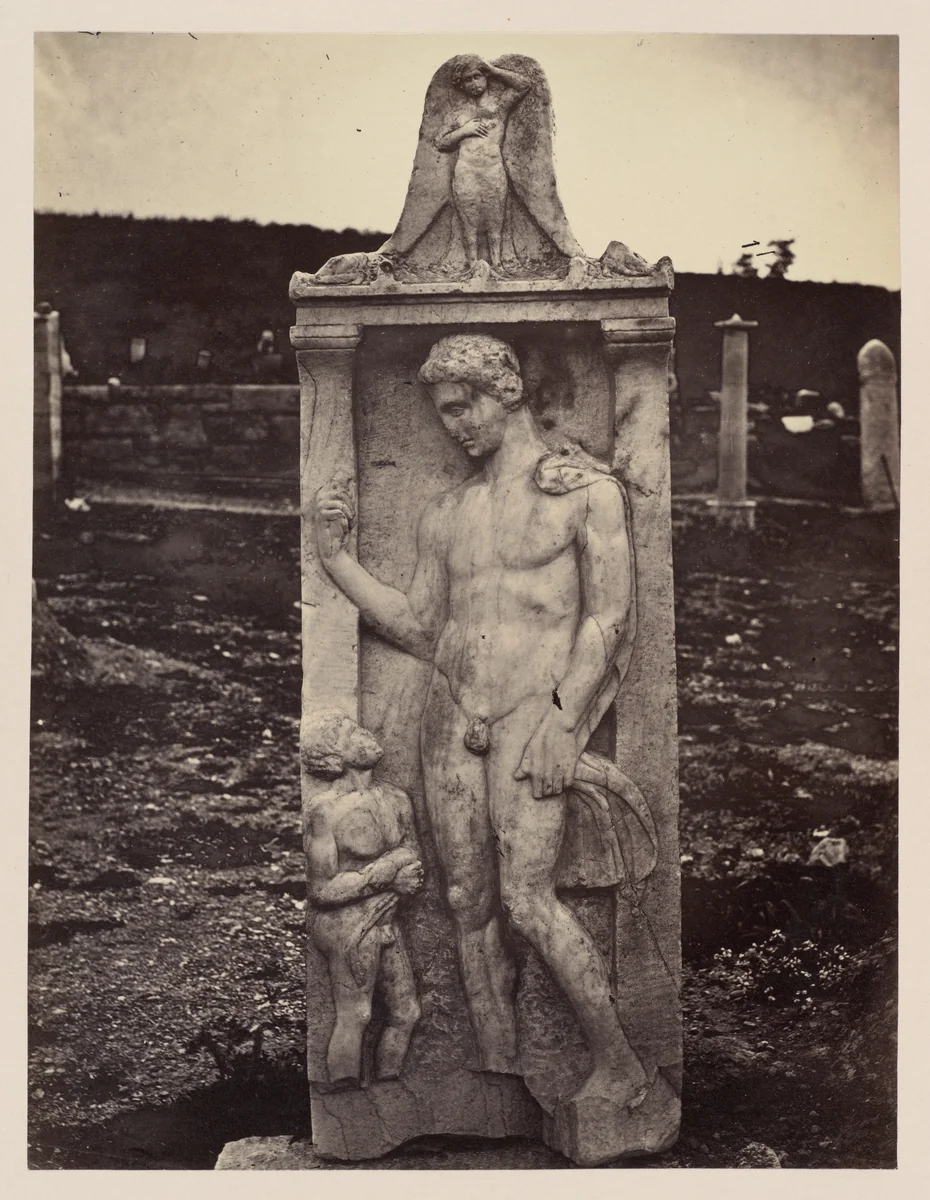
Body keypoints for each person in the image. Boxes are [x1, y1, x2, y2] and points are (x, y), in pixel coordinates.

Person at [315, 332, 649, 1108]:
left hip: (536, 719)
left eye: (465, 406)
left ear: (509, 391)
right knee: (467, 902)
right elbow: (419, 624)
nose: (455, 425)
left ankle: (621, 1064)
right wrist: (336, 561)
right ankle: (499, 1074)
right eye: (443, 412)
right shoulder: (448, 513)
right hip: (452, 719)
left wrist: (564, 724)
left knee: (528, 899)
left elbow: (608, 618)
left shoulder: (585, 494)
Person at [303, 710, 423, 1089]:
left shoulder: (397, 799)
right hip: (345, 924)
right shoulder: (325, 811)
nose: (365, 735)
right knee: (356, 1014)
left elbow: (413, 858)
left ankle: (388, 1086)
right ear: (333, 757)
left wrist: (398, 874)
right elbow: (322, 889)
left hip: (385, 917)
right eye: (351, 734)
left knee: (407, 1012)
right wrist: (386, 874)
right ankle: (344, 1087)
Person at [434, 56, 532, 273]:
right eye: (467, 80)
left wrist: (493, 70)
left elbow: (524, 85)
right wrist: (464, 131)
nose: (473, 83)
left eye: (477, 76)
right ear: (461, 85)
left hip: (493, 170)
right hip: (466, 171)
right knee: (469, 226)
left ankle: (497, 266)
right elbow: (440, 142)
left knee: (495, 223)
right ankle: (472, 267)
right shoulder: (458, 114)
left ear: (485, 77)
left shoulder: (499, 106)